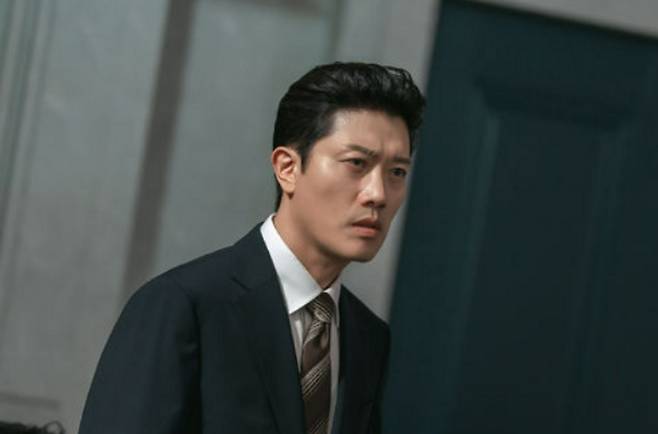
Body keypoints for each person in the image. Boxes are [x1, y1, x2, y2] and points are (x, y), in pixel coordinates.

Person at [78, 62, 425, 434]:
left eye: (397, 172)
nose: (378, 194)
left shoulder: (367, 336)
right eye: (356, 163)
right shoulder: (183, 305)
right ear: (287, 168)